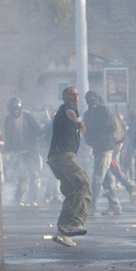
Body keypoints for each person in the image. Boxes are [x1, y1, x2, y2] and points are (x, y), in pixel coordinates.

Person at [47, 87, 91, 247]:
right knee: (83, 184)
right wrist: (78, 121)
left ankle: (62, 232)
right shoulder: (68, 108)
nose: (75, 96)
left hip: (56, 158)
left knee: (73, 192)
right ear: (65, 96)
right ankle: (75, 223)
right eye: (72, 94)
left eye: (77, 94)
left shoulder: (63, 111)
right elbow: (70, 112)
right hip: (63, 155)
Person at [83, 91, 123, 216]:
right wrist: (91, 141)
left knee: (97, 179)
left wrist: (100, 136)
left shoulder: (103, 111)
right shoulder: (88, 114)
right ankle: (115, 205)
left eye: (93, 98)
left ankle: (91, 206)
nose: (91, 101)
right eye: (89, 99)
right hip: (98, 148)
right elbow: (87, 132)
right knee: (107, 179)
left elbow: (112, 128)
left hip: (106, 148)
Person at [3, 97, 44, 206]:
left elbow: (39, 130)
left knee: (34, 175)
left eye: (17, 110)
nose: (15, 112)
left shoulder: (28, 116)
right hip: (18, 152)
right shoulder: (8, 119)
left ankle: (32, 199)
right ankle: (20, 199)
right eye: (13, 111)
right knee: (21, 176)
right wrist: (7, 151)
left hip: (31, 151)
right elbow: (8, 136)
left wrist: (39, 139)